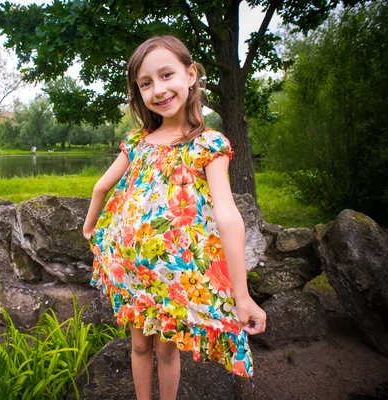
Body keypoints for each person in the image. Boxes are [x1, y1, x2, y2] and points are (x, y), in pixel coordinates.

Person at [83, 35, 267, 400]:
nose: (158, 89)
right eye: (146, 83)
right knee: (139, 346)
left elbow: (228, 216)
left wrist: (242, 294)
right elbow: (101, 188)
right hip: (133, 272)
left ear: (191, 74)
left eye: (166, 75)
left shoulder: (208, 144)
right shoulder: (137, 142)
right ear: (139, 92)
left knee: (165, 348)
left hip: (172, 282)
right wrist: (90, 227)